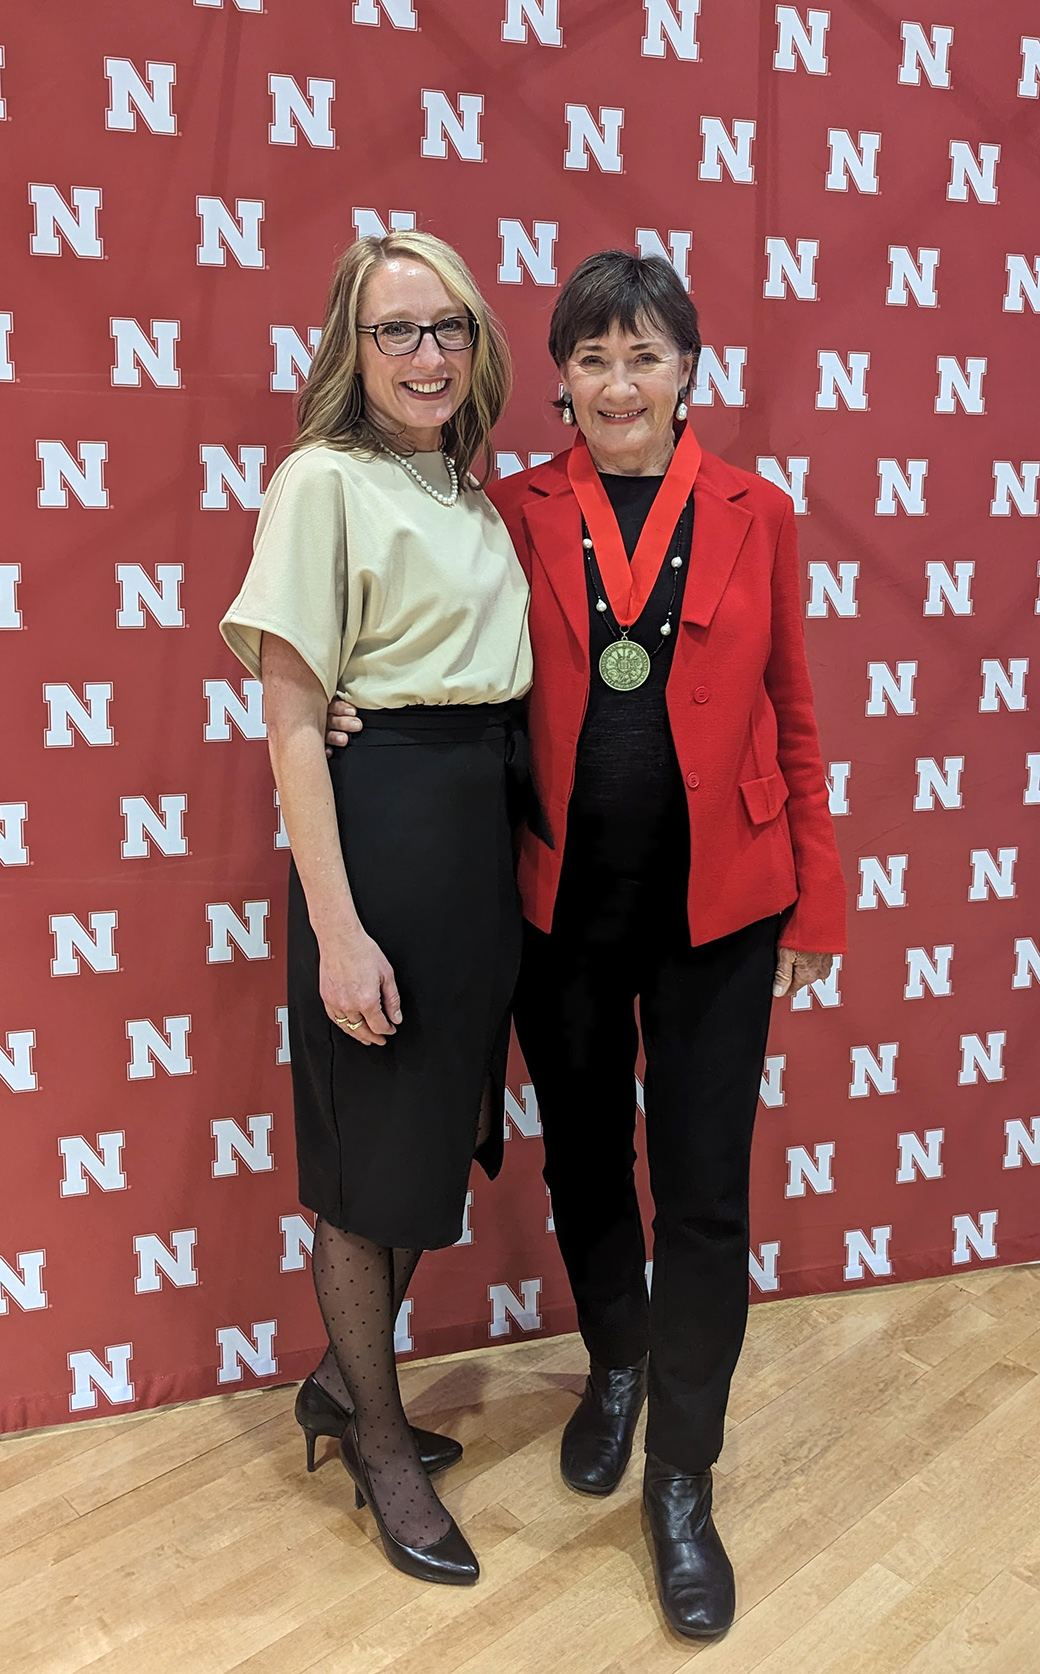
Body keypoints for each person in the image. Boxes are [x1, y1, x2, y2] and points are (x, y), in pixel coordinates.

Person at [326, 247, 847, 1638]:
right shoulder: (511, 510)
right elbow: (433, 642)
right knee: (589, 1173)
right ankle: (615, 1358)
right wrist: (339, 704)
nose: (621, 383)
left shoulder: (758, 511)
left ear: (690, 371)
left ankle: (683, 1473)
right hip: (557, 910)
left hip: (722, 915)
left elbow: (795, 719)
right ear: (558, 376)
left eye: (648, 356)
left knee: (706, 1197)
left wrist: (822, 899)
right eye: (597, 358)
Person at [220, 230, 533, 1587]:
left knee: (435, 1131)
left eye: (447, 327)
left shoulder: (469, 490)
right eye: (396, 330)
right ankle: (383, 1445)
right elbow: (295, 719)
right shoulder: (318, 481)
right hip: (382, 839)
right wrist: (339, 927)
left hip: (476, 841)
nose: (425, 355)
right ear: (351, 349)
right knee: (365, 1164)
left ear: (478, 345)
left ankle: (342, 1390)